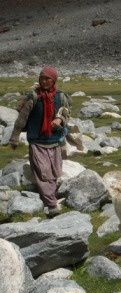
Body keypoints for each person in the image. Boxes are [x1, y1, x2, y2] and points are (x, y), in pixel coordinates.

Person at [9, 66, 71, 217]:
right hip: (37, 141)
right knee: (43, 174)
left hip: (55, 141)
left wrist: (59, 119)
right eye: (41, 78)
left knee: (55, 172)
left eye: (47, 79)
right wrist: (15, 137)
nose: (44, 81)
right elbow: (22, 118)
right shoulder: (33, 96)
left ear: (53, 80)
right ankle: (51, 206)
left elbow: (67, 113)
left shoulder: (61, 97)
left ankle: (49, 195)